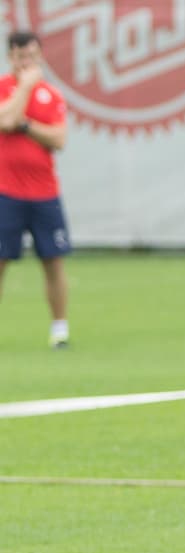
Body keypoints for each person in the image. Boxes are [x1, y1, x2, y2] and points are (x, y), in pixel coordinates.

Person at [0, 31, 71, 349]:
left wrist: (25, 125)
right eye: (19, 56)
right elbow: (3, 120)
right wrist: (25, 87)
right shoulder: (4, 88)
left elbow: (58, 139)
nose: (25, 61)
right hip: (6, 191)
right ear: (10, 57)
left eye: (30, 55)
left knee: (53, 260)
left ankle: (59, 330)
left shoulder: (53, 95)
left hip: (45, 193)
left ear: (40, 55)